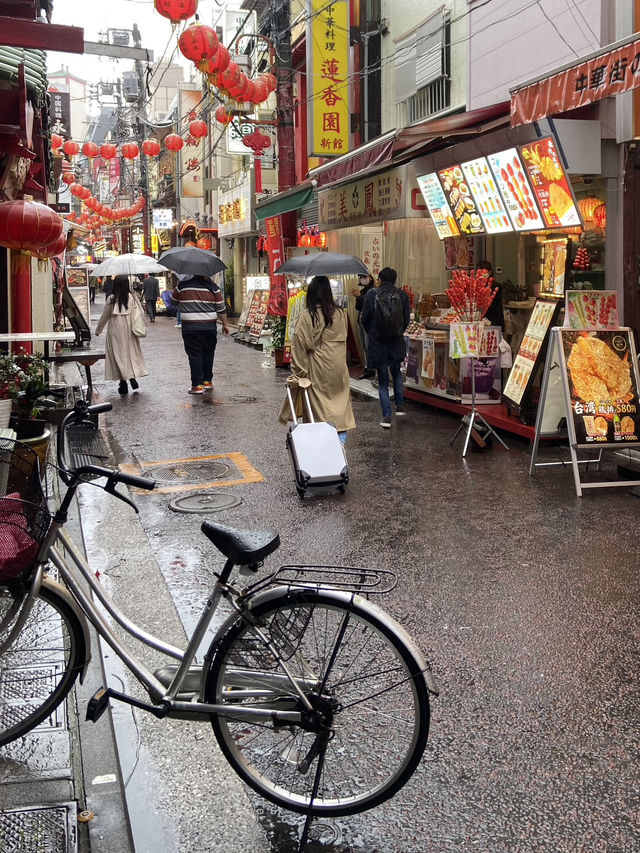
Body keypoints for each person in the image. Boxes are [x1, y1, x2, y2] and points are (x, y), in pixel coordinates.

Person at [278, 275, 355, 443]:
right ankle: (340, 446)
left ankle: (324, 452)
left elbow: (298, 349)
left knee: (319, 413)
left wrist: (299, 374)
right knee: (340, 413)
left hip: (318, 369)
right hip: (339, 370)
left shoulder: (308, 316)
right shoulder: (341, 314)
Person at [361, 266, 411, 429]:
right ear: (395, 280)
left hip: (379, 343)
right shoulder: (402, 295)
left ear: (380, 279)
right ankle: (401, 406)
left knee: (382, 381)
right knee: (396, 373)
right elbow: (406, 319)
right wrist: (397, 333)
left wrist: (374, 333)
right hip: (396, 342)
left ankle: (387, 417)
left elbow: (365, 319)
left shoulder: (371, 294)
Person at [171, 272, 230, 394]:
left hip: (190, 328)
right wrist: (225, 325)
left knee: (195, 354)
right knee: (209, 352)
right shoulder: (214, 288)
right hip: (209, 327)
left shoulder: (182, 286)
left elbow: (173, 302)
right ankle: (207, 381)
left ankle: (197, 385)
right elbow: (221, 308)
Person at [94, 274, 148, 395]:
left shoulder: (112, 298)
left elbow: (105, 316)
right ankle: (132, 378)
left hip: (115, 330)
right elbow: (141, 313)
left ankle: (123, 382)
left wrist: (99, 330)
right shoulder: (133, 298)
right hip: (130, 330)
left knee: (118, 355)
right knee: (131, 353)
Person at [352, 272, 375, 379]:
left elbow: (369, 304)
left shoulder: (373, 290)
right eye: (360, 277)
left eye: (364, 277)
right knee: (364, 345)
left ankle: (371, 368)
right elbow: (358, 307)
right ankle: (367, 365)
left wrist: (360, 296)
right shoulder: (363, 290)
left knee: (368, 344)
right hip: (360, 320)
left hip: (368, 322)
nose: (362, 279)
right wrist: (359, 296)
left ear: (370, 278)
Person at [477, 260, 504, 331]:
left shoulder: (496, 286)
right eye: (479, 271)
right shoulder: (477, 285)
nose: (481, 274)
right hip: (483, 320)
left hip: (493, 320)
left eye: (484, 271)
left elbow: (491, 304)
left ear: (490, 272)